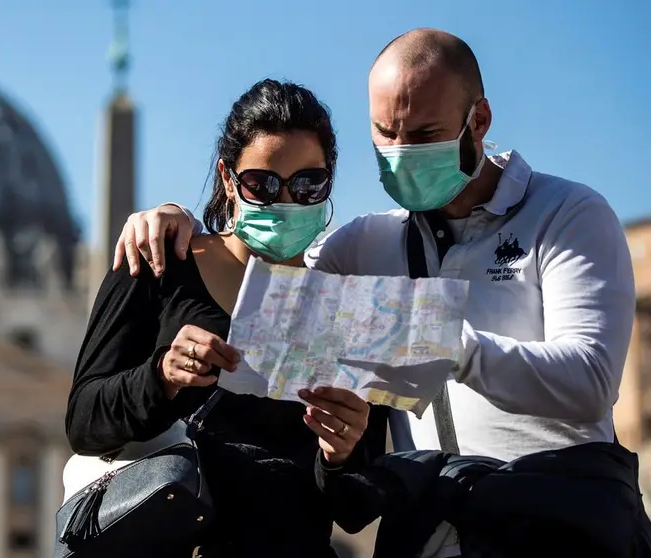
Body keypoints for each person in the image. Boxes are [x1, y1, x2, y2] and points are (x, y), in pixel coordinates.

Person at [109, 28, 637, 557]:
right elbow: (268, 273)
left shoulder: (567, 214)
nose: (402, 152)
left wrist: (446, 343)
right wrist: (176, 219)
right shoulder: (366, 244)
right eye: (386, 133)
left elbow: (590, 379)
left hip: (551, 526)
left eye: (424, 134)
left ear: (478, 121)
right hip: (426, 533)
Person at [66, 79, 389, 557]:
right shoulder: (157, 263)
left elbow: (357, 507)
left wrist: (341, 452)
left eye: (307, 184)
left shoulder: (349, 310)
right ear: (227, 179)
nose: (284, 201)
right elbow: (84, 420)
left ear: (328, 185)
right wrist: (162, 376)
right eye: (261, 184)